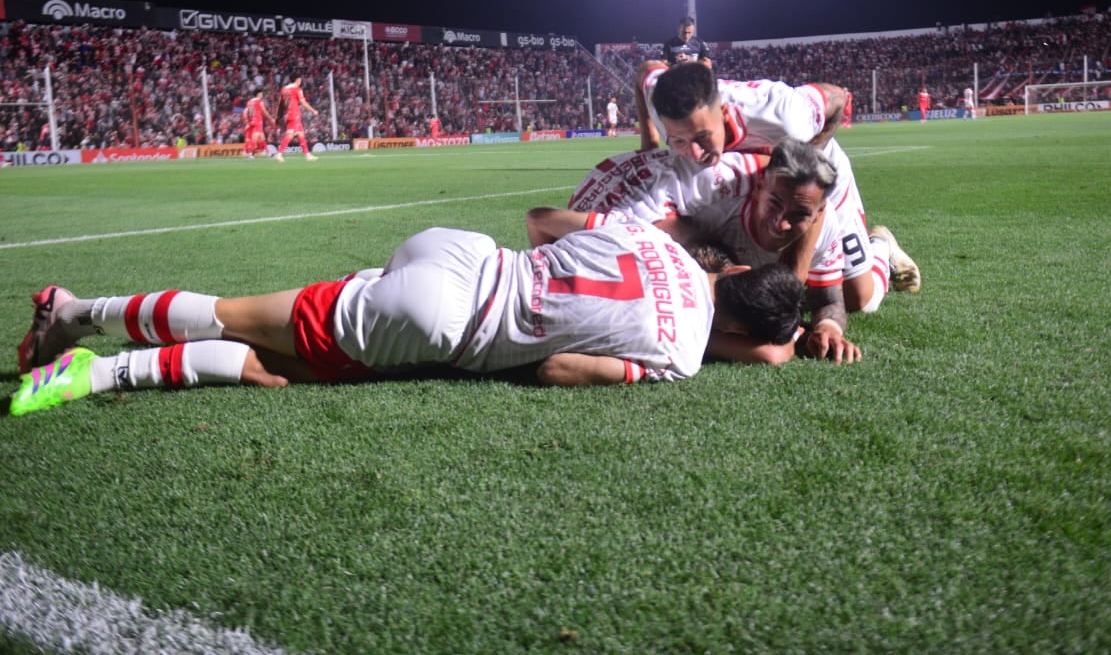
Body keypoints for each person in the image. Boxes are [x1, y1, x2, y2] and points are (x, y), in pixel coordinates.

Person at [9, 220, 808, 416]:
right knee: (245, 330)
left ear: (734, 272)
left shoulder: (659, 240)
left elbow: (545, 224)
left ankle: (84, 344)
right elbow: (564, 368)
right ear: (737, 332)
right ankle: (76, 322)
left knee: (270, 357)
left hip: (464, 254)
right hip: (448, 320)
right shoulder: (685, 357)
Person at [539, 137, 860, 364]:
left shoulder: (825, 222)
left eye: (800, 215)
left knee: (862, 296)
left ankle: (878, 245)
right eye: (775, 204)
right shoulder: (712, 203)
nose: (782, 223)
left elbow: (830, 300)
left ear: (818, 214)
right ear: (760, 187)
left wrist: (827, 327)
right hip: (612, 205)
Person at [633, 61, 922, 310]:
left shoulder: (785, 116)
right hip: (761, 184)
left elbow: (837, 97)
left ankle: (881, 247)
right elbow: (647, 71)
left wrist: (808, 158)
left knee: (860, 299)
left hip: (812, 177)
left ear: (723, 113)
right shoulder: (664, 101)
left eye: (702, 138)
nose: (694, 154)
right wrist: (650, 145)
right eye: (679, 141)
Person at [275, 77, 320, 162]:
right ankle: (279, 154)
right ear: (297, 80)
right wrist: (313, 110)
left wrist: (278, 116)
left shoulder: (284, 89)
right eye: (300, 80)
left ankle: (307, 155)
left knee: (300, 134)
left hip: (288, 114)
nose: (300, 82)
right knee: (290, 135)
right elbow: (303, 102)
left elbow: (280, 105)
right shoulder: (297, 89)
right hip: (294, 114)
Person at [242, 90, 270, 158]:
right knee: (254, 138)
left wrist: (248, 121)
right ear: (258, 94)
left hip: (252, 121)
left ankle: (268, 152)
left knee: (262, 137)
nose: (262, 95)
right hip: (258, 121)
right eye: (261, 93)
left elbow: (247, 112)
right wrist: (270, 118)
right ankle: (250, 153)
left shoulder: (249, 102)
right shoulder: (259, 101)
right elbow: (264, 111)